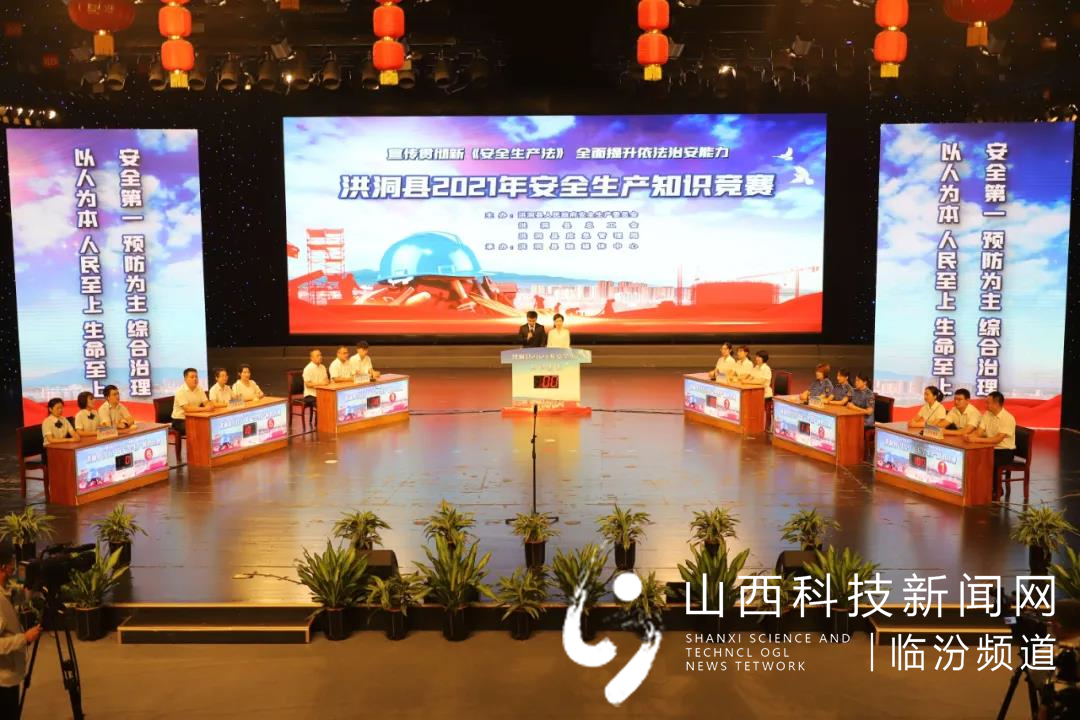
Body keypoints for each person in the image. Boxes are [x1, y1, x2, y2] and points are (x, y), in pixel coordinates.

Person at [0, 542, 42, 715]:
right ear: (4, 567)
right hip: (2, 681)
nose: (15, 566)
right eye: (13, 562)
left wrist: (31, 585)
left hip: (9, 676)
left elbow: (19, 596)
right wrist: (24, 638)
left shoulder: (5, 590)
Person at [967, 391, 1017, 477]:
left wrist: (976, 439)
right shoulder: (987, 414)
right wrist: (969, 436)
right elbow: (979, 432)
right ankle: (976, 484)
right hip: (990, 448)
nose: (985, 405)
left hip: (1004, 451)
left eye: (987, 403)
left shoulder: (1008, 418)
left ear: (996, 404)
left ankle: (993, 485)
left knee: (985, 462)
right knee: (973, 458)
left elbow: (997, 439)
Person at [172, 368, 210, 436]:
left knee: (209, 425)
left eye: (196, 377)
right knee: (197, 429)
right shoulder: (180, 391)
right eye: (192, 377)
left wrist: (209, 406)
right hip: (180, 420)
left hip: (194, 417)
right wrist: (205, 409)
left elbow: (206, 402)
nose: (195, 379)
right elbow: (187, 409)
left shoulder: (199, 389)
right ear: (185, 379)